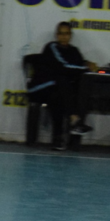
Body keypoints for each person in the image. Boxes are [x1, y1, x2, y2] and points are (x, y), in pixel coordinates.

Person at [29, 21, 98, 150]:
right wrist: (85, 67)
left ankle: (58, 140)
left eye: (67, 34)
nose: (64, 37)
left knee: (58, 97)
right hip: (40, 88)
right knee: (61, 80)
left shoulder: (74, 51)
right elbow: (63, 67)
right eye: (61, 34)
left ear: (71, 35)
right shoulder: (51, 47)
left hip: (57, 90)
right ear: (56, 35)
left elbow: (77, 67)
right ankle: (75, 120)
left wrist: (87, 65)